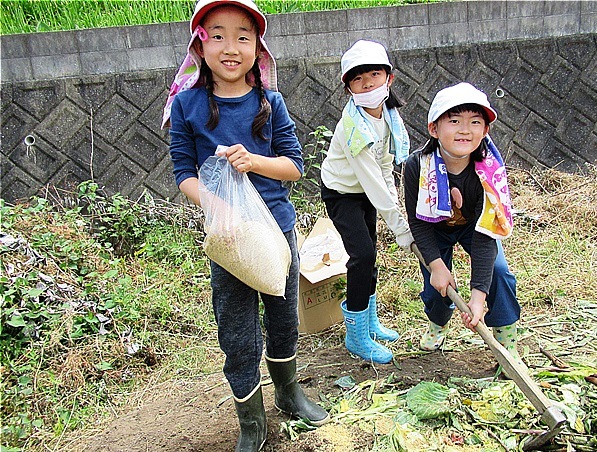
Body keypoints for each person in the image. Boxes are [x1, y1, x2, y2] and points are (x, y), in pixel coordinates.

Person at [163, 1, 329, 450]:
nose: (230, 47)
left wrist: (253, 161)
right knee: (236, 330)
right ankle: (252, 423)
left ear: (258, 47)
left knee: (283, 317)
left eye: (243, 36)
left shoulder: (270, 102)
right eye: (218, 35)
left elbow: (294, 166)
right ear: (200, 42)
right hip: (229, 237)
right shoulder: (188, 105)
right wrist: (221, 209)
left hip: (278, 231)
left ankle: (290, 394)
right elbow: (184, 174)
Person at [403, 82, 526, 376]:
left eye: (475, 122)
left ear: (485, 131)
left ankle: (507, 341)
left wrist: (478, 297)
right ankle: (438, 323)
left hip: (475, 228)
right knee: (438, 287)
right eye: (454, 121)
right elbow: (417, 221)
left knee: (499, 273)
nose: (464, 130)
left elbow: (486, 231)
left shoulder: (489, 172)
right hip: (434, 228)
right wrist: (436, 265)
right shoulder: (417, 166)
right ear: (434, 128)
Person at [320, 40, 413, 365]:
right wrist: (402, 231)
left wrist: (399, 219)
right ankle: (356, 336)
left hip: (365, 190)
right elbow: (373, 182)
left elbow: (385, 170)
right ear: (349, 88)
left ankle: (369, 322)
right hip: (342, 192)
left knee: (369, 254)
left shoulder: (389, 116)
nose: (368, 83)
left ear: (390, 77)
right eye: (359, 79)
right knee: (362, 255)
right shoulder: (353, 129)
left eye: (375, 74)